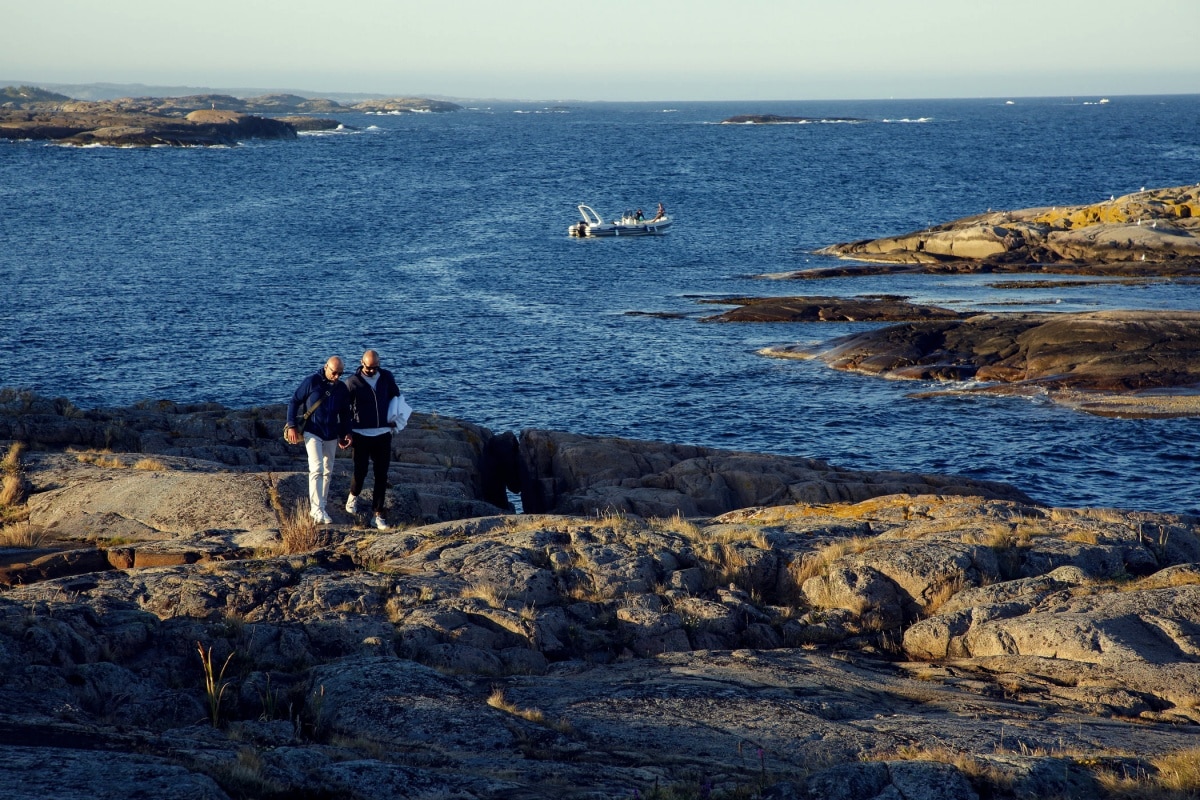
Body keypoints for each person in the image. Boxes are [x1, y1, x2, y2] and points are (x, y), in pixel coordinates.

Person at [343, 349, 412, 530]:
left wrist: (396, 417)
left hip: (383, 433)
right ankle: (353, 496)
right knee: (361, 472)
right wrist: (346, 432)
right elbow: (344, 410)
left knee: (381, 475)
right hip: (361, 434)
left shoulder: (387, 377)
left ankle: (378, 515)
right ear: (361, 363)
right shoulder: (352, 382)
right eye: (369, 367)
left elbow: (396, 396)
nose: (372, 370)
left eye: (375, 367)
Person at [286, 356, 352, 524]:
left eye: (340, 373)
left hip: (331, 433)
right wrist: (292, 425)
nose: (337, 376)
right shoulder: (312, 381)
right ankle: (316, 510)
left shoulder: (342, 388)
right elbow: (294, 401)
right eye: (334, 372)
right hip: (312, 431)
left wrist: (345, 434)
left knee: (328, 471)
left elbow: (345, 414)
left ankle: (321, 506)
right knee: (316, 468)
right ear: (326, 367)